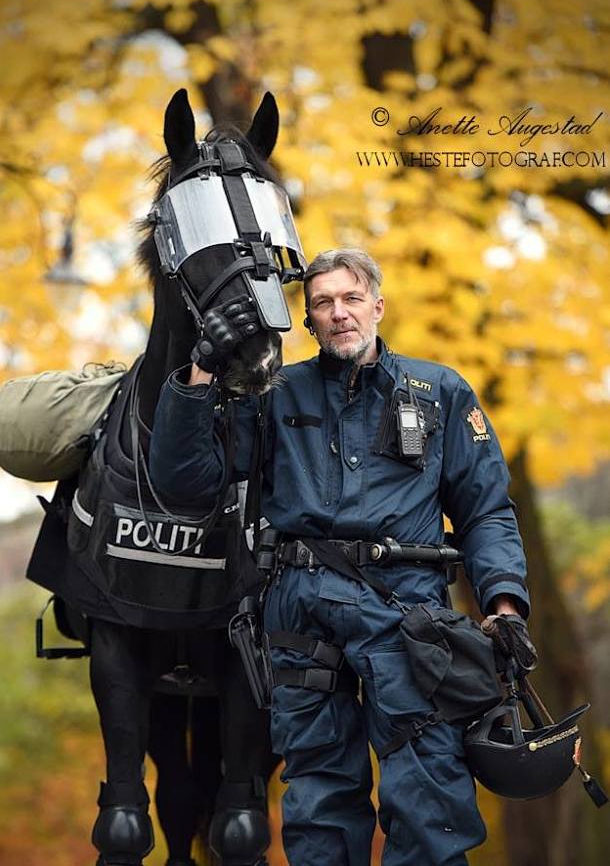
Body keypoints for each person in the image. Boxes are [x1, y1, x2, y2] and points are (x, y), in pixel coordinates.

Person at [149, 248, 531, 866]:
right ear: (308, 321)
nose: (339, 313)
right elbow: (186, 484)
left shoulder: (440, 391)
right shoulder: (273, 393)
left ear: (378, 306)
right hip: (303, 612)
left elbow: (485, 510)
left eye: (352, 298)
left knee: (429, 796)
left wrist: (505, 604)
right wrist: (199, 374)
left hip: (409, 616)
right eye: (323, 303)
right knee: (319, 802)